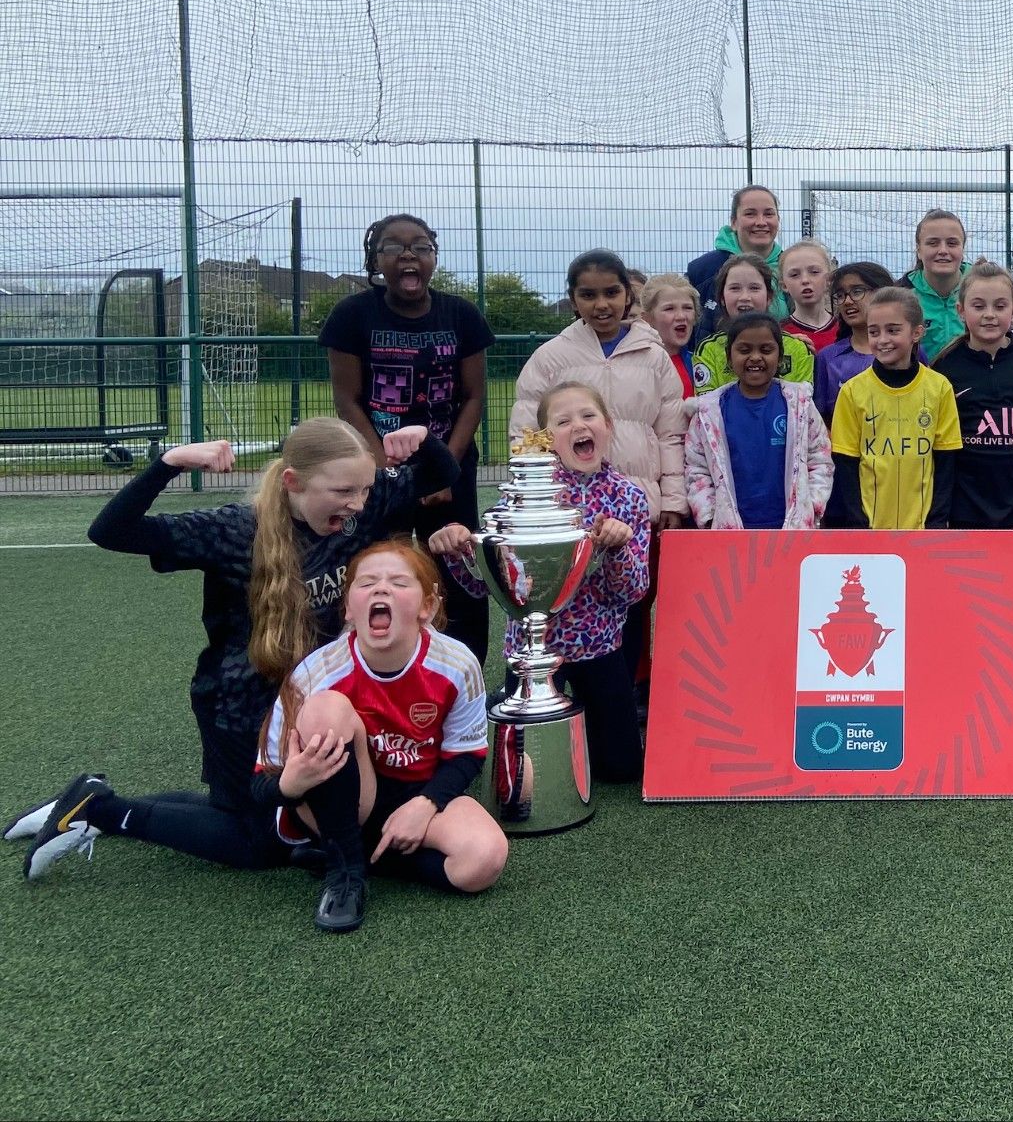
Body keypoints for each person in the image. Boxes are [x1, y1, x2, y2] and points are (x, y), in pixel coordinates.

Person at [11, 419, 455, 882]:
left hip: (318, 700)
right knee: (255, 840)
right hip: (239, 706)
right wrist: (168, 464)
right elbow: (111, 531)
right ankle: (102, 809)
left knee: (265, 818)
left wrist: (424, 438)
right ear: (292, 483)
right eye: (344, 490)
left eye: (365, 489)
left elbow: (440, 474)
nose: (358, 502)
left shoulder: (356, 510)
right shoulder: (233, 530)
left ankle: (82, 802)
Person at [254, 541, 506, 933]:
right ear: (349, 609)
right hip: (346, 801)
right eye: (367, 582)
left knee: (483, 860)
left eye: (399, 582)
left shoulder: (457, 662)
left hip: (418, 793)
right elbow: (261, 782)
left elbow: (468, 755)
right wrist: (288, 786)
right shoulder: (315, 673)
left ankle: (362, 853)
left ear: (428, 607)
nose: (381, 589)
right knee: (325, 711)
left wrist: (423, 806)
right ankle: (347, 872)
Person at [434, 383, 650, 785]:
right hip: (529, 651)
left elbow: (630, 593)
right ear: (545, 439)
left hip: (598, 646)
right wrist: (460, 554)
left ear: (608, 425)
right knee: (528, 777)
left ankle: (583, 725)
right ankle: (518, 709)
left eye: (588, 416)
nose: (578, 426)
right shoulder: (516, 500)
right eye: (563, 421)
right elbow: (484, 588)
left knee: (621, 770)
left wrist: (616, 551)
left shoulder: (629, 498)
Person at [320, 212, 494, 663]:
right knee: (382, 570)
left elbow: (474, 398)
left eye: (420, 246)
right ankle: (379, 666)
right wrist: (387, 471)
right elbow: (348, 400)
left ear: (434, 256)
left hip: (449, 466)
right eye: (394, 247)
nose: (408, 255)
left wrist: (443, 472)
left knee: (459, 572)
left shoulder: (461, 314)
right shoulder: (353, 315)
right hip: (378, 470)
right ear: (376, 259)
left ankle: (462, 670)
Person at [510, 249, 687, 688]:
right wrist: (537, 500)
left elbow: (670, 433)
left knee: (631, 604)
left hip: (635, 507)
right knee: (568, 600)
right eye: (588, 295)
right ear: (573, 300)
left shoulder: (653, 354)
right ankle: (559, 701)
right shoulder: (552, 357)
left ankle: (625, 698)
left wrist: (672, 499)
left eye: (612, 292)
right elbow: (526, 433)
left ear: (629, 295)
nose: (602, 304)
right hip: (570, 514)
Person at [826, 286, 961, 529]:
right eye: (874, 332)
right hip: (869, 527)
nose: (882, 340)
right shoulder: (852, 391)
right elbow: (846, 463)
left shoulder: (939, 388)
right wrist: (858, 521)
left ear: (917, 332)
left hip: (923, 529)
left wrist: (937, 521)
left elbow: (945, 460)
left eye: (893, 330)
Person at [933, 261, 1013, 531]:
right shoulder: (944, 368)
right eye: (979, 306)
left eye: (1000, 306)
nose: (989, 314)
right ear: (961, 310)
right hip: (966, 500)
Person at [683, 313, 834, 529]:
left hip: (793, 530)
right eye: (744, 350)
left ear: (780, 357)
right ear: (728, 357)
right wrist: (709, 516)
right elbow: (696, 469)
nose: (755, 357)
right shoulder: (709, 411)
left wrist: (811, 507)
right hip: (731, 533)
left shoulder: (800, 405)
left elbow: (820, 459)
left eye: (766, 350)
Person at [691, 254, 815, 393]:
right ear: (722, 298)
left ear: (769, 297)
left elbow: (802, 408)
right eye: (735, 288)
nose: (744, 297)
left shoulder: (797, 349)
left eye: (754, 288)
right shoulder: (708, 350)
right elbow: (706, 408)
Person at [687, 185, 786, 341]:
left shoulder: (793, 270)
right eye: (750, 214)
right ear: (733, 222)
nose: (761, 222)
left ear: (778, 220)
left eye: (768, 214)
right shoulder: (703, 271)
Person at [813, 261, 898, 426]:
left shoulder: (908, 349)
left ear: (883, 293)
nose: (847, 301)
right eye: (840, 295)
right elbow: (820, 419)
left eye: (857, 291)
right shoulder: (828, 358)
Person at [901, 208, 970, 356]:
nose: (943, 250)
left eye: (952, 243)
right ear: (919, 250)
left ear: (963, 249)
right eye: (933, 243)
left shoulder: (982, 287)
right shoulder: (902, 295)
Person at [638, 273, 700, 400]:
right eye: (669, 309)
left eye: (687, 307)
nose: (681, 316)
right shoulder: (636, 364)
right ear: (647, 318)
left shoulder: (699, 362)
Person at [779, 240, 842, 352]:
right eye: (794, 275)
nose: (805, 280)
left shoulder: (846, 331)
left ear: (829, 279)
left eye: (814, 272)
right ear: (784, 285)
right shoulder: (779, 334)